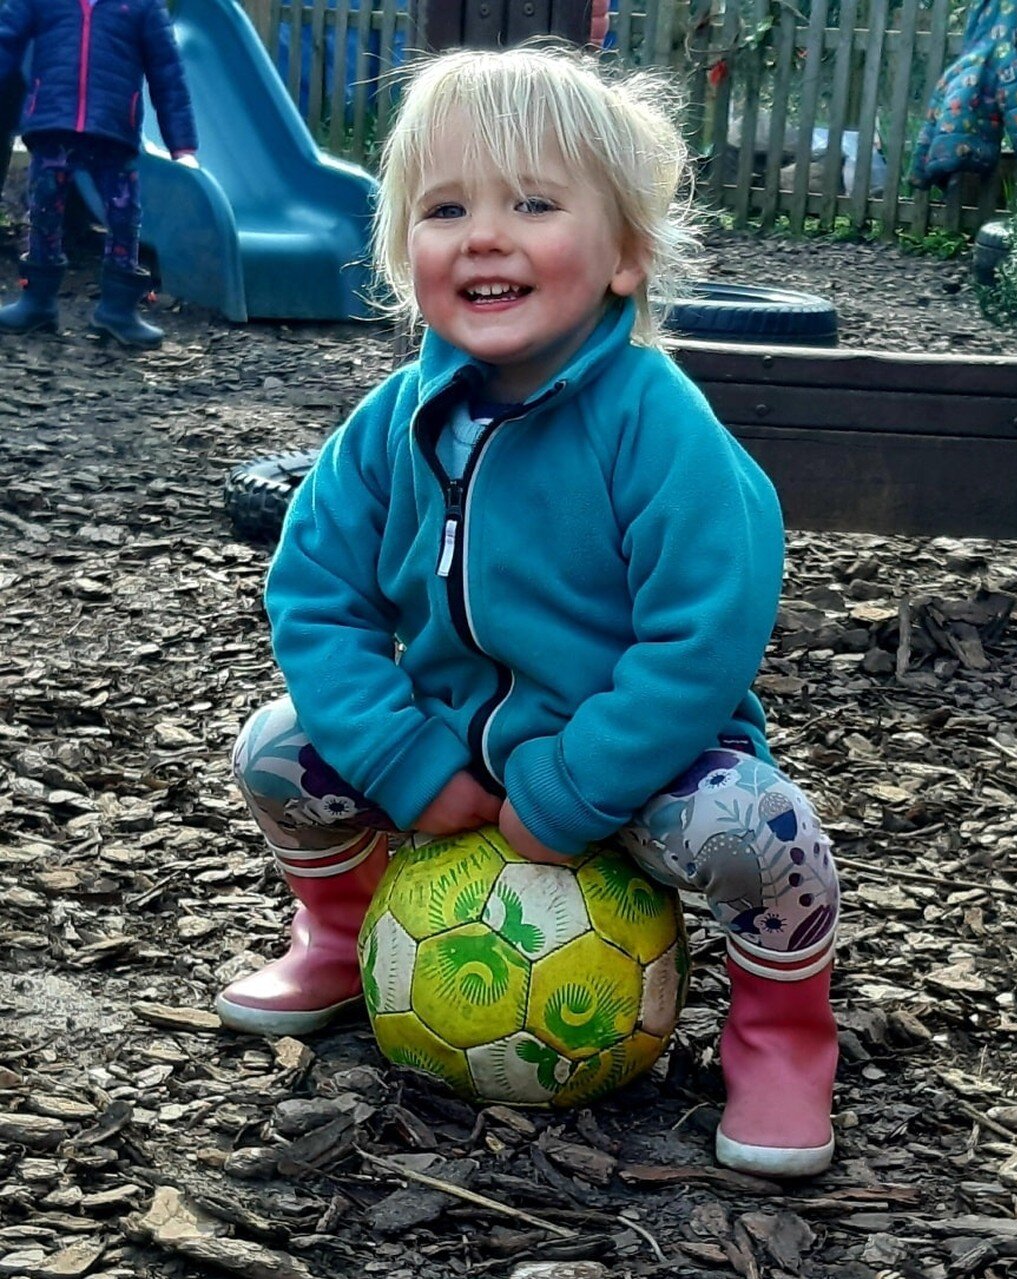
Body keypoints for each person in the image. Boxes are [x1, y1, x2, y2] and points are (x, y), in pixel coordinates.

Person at [218, 46, 841, 1180]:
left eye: (534, 203)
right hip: (452, 749)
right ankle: (349, 935)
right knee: (276, 751)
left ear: (626, 255)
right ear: (405, 254)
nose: (485, 234)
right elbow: (316, 592)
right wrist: (402, 758)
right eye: (445, 207)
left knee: (763, 830)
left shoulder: (660, 426)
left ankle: (782, 1033)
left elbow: (702, 632)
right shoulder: (390, 424)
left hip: (639, 764)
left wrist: (572, 790)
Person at [0, 0, 199, 348]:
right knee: (45, 210)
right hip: (53, 123)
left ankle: (119, 310)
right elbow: (6, 40)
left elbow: (167, 72)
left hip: (112, 129)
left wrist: (181, 144)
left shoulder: (142, 6)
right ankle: (37, 300)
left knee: (123, 215)